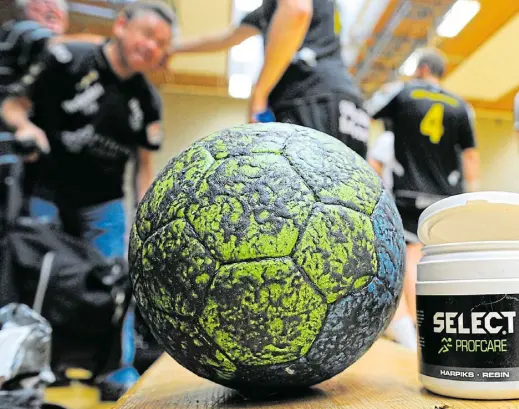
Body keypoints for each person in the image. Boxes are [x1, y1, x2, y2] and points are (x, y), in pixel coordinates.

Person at [1, 0, 174, 260]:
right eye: (148, 35)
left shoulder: (149, 100)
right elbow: (12, 106)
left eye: (161, 44)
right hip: (46, 191)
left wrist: (142, 220)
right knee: (43, 274)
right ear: (121, 25)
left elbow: (144, 168)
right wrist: (25, 127)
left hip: (104, 206)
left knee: (107, 281)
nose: (152, 47)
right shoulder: (67, 58)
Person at [365, 48, 480, 346]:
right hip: (446, 197)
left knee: (412, 257)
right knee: (442, 259)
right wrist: (473, 197)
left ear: (422, 69)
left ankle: (420, 328)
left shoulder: (404, 92)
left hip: (409, 192)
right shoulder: (461, 105)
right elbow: (470, 156)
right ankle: (448, 326)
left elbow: (369, 112)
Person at [173, 0, 370, 158]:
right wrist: (173, 50)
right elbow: (228, 37)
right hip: (347, 104)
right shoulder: (269, 10)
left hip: (309, 95)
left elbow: (296, 10)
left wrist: (260, 93)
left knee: (296, 199)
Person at [0, 0, 69, 131]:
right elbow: (52, 43)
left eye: (55, 7)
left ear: (65, 23)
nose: (48, 6)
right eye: (37, 7)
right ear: (21, 13)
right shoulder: (18, 30)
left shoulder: (59, 63)